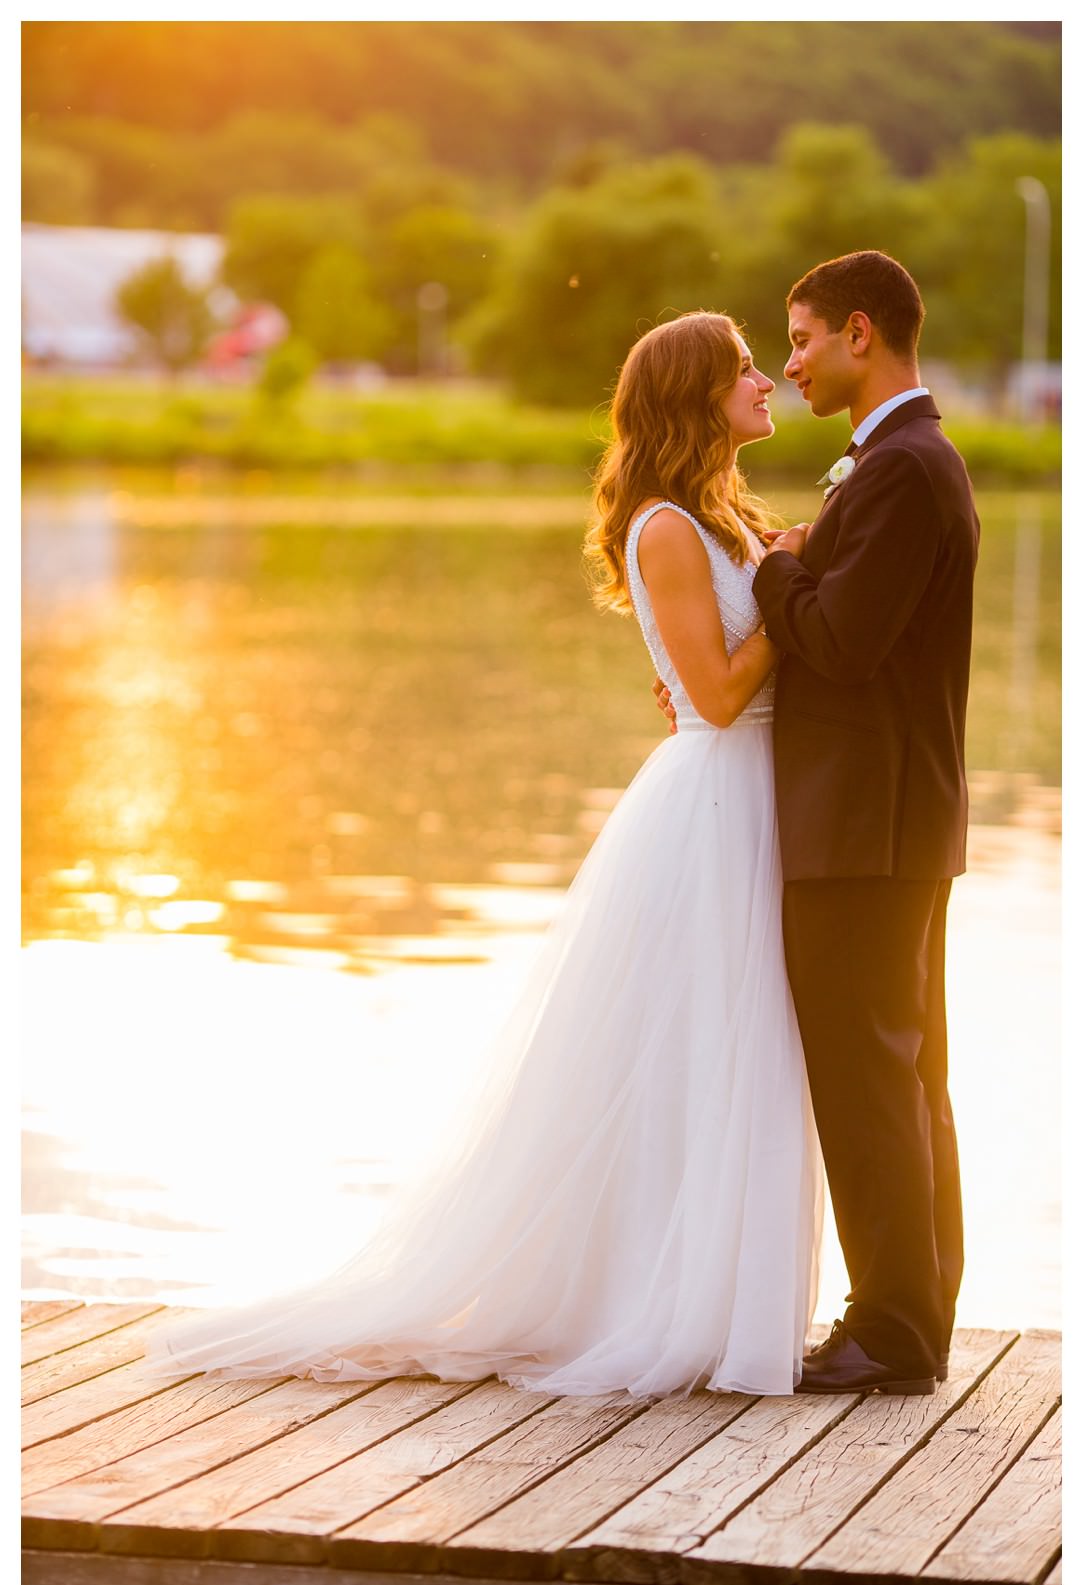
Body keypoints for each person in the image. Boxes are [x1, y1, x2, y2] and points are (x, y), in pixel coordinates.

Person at [144, 311, 822, 1400]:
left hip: (752, 797)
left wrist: (779, 571)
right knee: (695, 1047)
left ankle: (703, 1291)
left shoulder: (730, 520)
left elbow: (722, 676)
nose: (765, 379)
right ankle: (654, 1305)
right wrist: (787, 588)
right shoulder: (664, 528)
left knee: (732, 1054)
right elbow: (718, 692)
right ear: (699, 394)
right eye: (745, 365)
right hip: (710, 808)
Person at [663, 253, 977, 1397]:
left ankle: (892, 1328)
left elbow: (840, 640)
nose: (788, 364)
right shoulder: (898, 462)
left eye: (797, 341)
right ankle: (911, 1310)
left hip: (865, 823)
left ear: (858, 333)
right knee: (903, 1073)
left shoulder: (900, 469)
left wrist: (787, 567)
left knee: (868, 1074)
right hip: (886, 817)